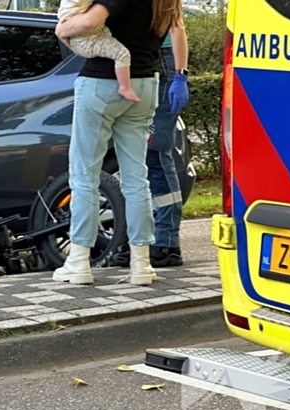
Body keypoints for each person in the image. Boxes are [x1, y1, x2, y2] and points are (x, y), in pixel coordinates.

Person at [52, 0, 188, 286]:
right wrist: (181, 76)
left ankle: (78, 261)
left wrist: (63, 27)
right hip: (146, 83)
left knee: (84, 175)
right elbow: (178, 31)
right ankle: (141, 264)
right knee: (137, 177)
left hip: (102, 82)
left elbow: (90, 21)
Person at [109, 31, 190, 268]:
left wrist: (180, 75)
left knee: (155, 153)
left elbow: (177, 28)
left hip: (162, 62)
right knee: (140, 157)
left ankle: (166, 243)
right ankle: (146, 238)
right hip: (140, 60)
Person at [57, 0, 139, 102]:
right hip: (90, 40)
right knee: (122, 54)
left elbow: (61, 31)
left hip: (83, 38)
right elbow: (88, 22)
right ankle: (124, 87)